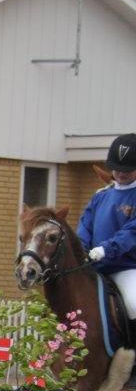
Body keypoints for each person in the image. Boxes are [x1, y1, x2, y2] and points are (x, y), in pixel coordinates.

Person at [78, 133, 136, 328]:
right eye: (117, 167)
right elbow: (85, 225)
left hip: (126, 267)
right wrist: (81, 247)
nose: (120, 173)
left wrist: (105, 249)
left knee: (134, 303)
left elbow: (132, 232)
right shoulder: (101, 196)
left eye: (127, 169)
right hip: (95, 266)